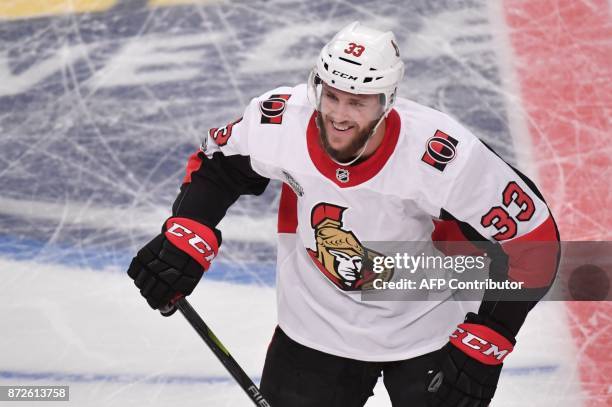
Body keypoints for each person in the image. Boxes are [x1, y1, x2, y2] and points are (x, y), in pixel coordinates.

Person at [127, 21, 560, 406]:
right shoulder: (280, 120)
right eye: (331, 96)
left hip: (428, 330)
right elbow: (219, 167)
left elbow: (535, 241)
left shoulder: (440, 155)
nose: (337, 115)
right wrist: (186, 232)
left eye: (357, 102)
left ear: (387, 101)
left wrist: (491, 336)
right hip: (314, 332)